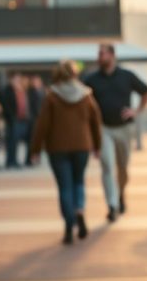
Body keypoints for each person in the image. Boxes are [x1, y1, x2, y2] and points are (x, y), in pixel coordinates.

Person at [30, 60, 102, 245]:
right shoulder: (86, 95)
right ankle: (79, 211)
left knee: (65, 186)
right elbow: (95, 120)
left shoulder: (52, 96)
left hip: (57, 148)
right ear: (74, 74)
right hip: (82, 146)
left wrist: (35, 149)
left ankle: (69, 224)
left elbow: (42, 125)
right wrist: (97, 145)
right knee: (79, 181)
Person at [84, 44, 147, 222]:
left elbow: (146, 92)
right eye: (98, 54)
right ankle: (112, 205)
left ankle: (121, 194)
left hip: (124, 128)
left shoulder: (126, 76)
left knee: (123, 167)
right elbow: (83, 101)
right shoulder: (91, 79)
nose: (99, 57)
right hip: (103, 128)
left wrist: (136, 111)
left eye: (102, 54)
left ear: (112, 55)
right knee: (107, 166)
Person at [0, 72, 31, 169]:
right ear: (11, 80)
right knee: (11, 141)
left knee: (16, 141)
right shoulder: (7, 91)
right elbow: (6, 105)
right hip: (12, 120)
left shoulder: (21, 89)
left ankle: (15, 160)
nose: (18, 81)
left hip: (22, 119)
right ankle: (10, 161)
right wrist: (11, 117)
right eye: (16, 79)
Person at [27, 74, 46, 165]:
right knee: (33, 139)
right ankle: (31, 158)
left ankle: (37, 157)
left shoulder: (42, 92)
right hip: (34, 119)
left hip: (40, 118)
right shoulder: (30, 92)